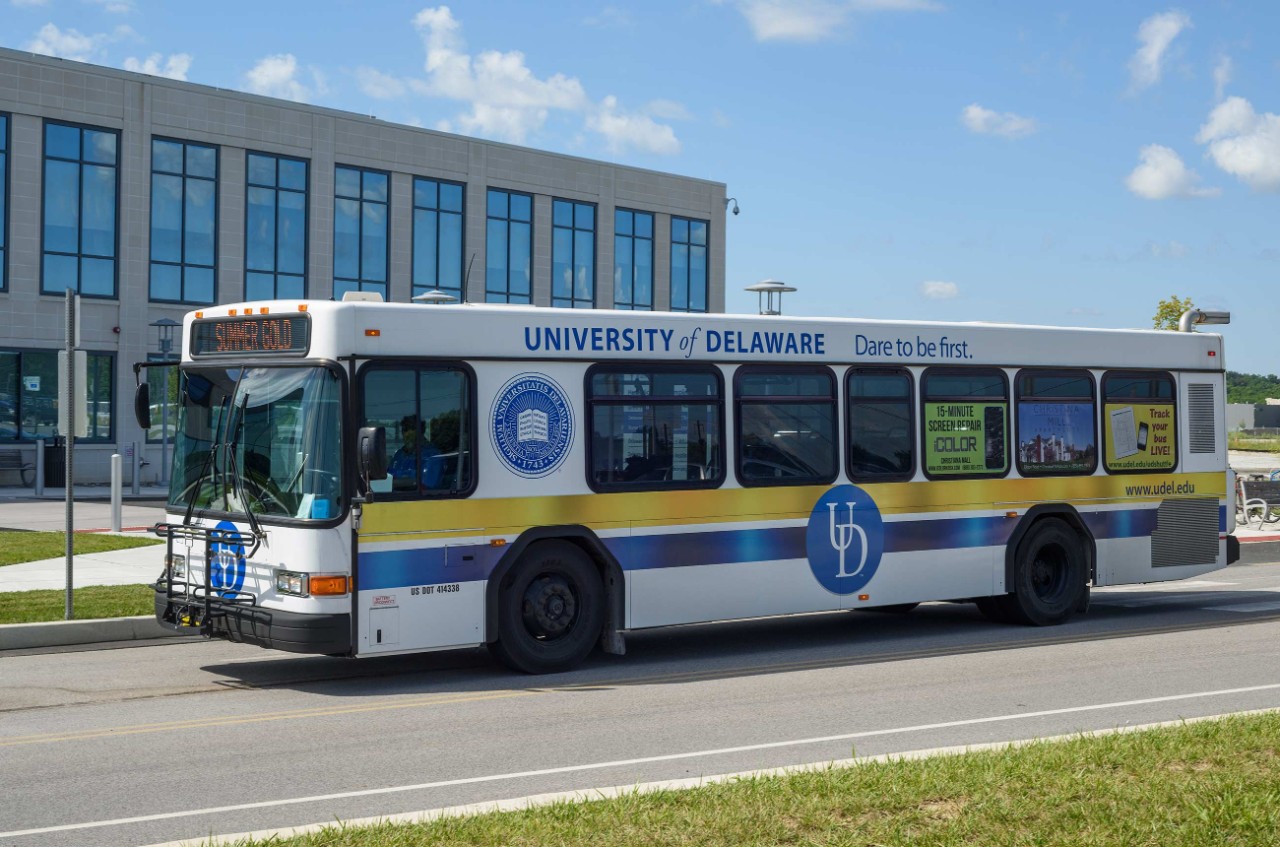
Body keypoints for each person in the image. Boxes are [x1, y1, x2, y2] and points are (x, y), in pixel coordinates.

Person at [388, 415, 442, 491]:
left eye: (412, 429)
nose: (407, 434)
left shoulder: (433, 456)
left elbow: (426, 484)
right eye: (405, 429)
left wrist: (399, 478)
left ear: (421, 431)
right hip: (392, 498)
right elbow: (388, 476)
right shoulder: (399, 454)